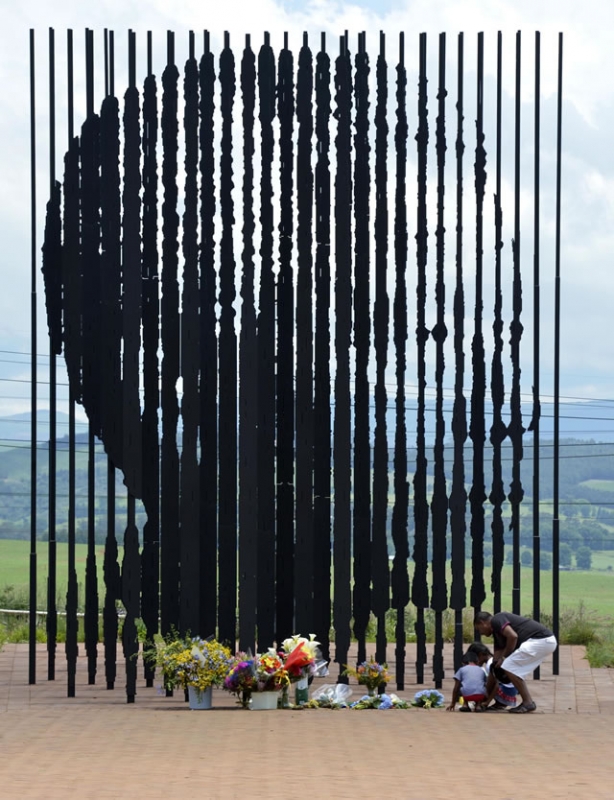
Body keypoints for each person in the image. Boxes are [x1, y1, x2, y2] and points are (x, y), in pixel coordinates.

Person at [474, 611, 558, 714]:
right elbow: (494, 665)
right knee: (506, 667)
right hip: (544, 642)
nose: (480, 633)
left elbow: (513, 636)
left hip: (540, 640)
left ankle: (528, 703)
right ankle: (527, 702)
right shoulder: (498, 634)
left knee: (508, 666)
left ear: (483, 623)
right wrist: (484, 700)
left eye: (478, 629)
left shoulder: (496, 620)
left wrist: (504, 658)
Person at [467, 641, 519, 711]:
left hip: (506, 691)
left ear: (481, 655)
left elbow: (496, 685)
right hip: (512, 691)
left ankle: (497, 702)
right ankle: (500, 703)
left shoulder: (490, 664)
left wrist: (486, 703)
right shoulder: (493, 660)